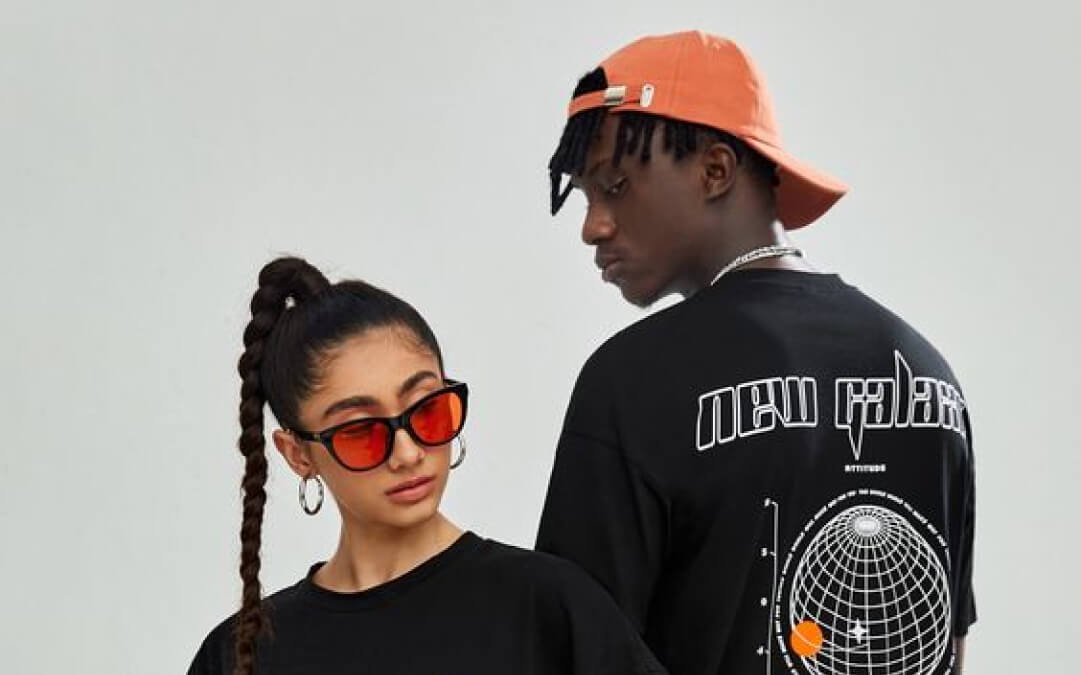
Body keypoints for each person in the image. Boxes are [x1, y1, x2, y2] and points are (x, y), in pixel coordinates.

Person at [536, 31, 976, 675]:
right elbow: (944, 645)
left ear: (715, 170)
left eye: (616, 185)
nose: (592, 226)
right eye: (586, 197)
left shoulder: (634, 381)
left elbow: (569, 653)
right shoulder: (930, 376)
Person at [189, 257, 666, 675]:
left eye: (426, 410)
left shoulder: (549, 607)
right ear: (298, 455)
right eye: (361, 431)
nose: (408, 453)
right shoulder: (239, 655)